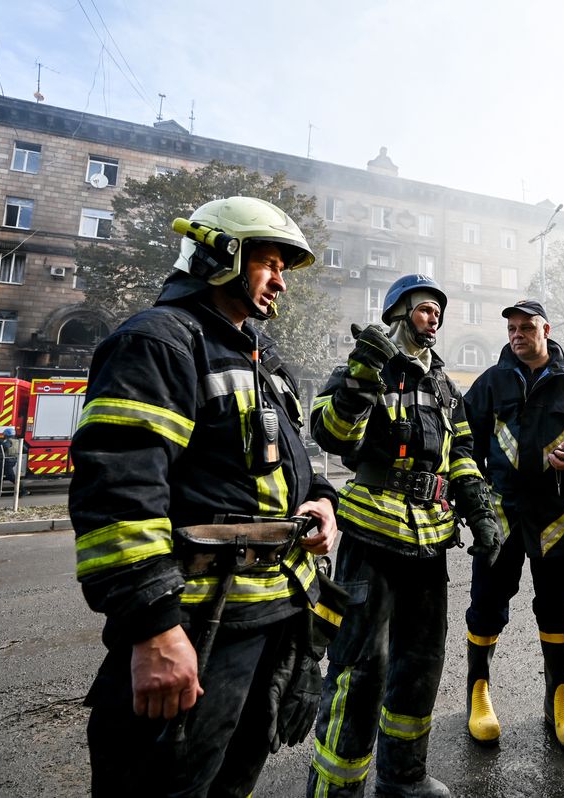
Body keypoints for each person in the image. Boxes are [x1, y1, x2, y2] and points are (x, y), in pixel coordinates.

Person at [69, 196, 342, 797]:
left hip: (271, 617)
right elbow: (118, 494)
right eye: (268, 263)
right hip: (195, 628)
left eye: (283, 269)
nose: (281, 283)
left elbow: (299, 466)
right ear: (220, 256)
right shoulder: (159, 342)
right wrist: (154, 631)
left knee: (231, 783)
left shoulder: (265, 361)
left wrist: (322, 502)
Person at [305, 274, 501, 798]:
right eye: (424, 308)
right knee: (360, 668)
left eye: (439, 310)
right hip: (372, 536)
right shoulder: (365, 366)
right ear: (398, 311)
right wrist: (360, 377)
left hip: (430, 540)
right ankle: (334, 788)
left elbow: (460, 454)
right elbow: (331, 435)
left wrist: (480, 508)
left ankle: (403, 777)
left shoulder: (444, 385)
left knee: (421, 663)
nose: (433, 316)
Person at [461, 299, 564, 751]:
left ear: (546, 329)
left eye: (526, 327)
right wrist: (469, 494)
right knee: (486, 602)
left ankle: (558, 702)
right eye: (511, 328)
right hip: (501, 514)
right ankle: (479, 693)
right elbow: (465, 439)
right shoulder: (491, 382)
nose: (517, 335)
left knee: (555, 605)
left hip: (557, 515)